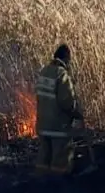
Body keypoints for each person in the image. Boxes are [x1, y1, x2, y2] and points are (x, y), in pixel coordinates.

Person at [34, 44, 84, 175]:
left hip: (43, 125)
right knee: (61, 160)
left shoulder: (43, 72)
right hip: (58, 127)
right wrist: (76, 113)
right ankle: (58, 185)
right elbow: (66, 101)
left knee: (43, 158)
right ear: (66, 58)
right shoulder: (61, 74)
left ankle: (40, 185)